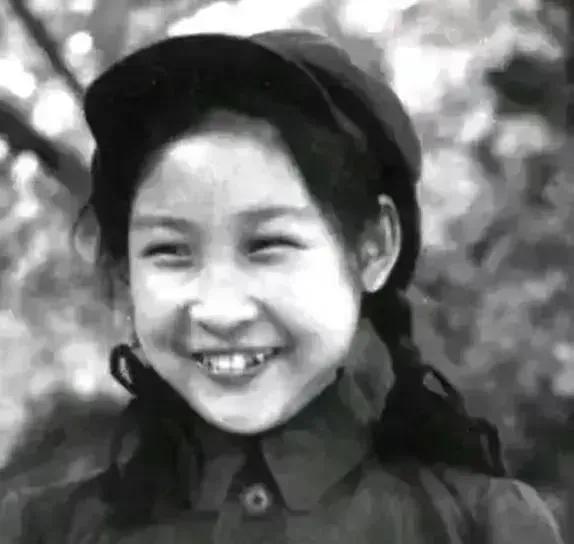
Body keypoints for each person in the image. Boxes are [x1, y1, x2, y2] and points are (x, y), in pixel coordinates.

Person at [0, 30, 564, 543]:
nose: (219, 310)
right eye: (170, 251)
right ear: (127, 273)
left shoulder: (483, 526)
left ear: (373, 249)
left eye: (267, 245)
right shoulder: (37, 531)